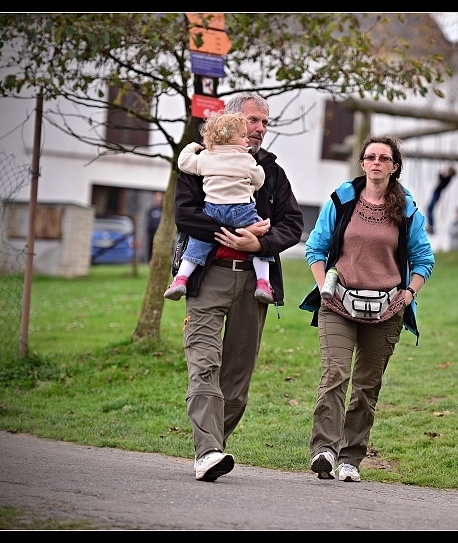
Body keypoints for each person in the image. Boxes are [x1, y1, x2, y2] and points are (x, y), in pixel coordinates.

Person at [173, 91, 304, 482]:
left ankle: (214, 447)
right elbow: (185, 216)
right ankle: (208, 450)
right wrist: (233, 233)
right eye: (253, 120)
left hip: (254, 282)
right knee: (204, 362)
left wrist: (259, 244)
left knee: (237, 378)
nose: (260, 129)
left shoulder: (270, 171)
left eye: (265, 122)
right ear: (229, 122)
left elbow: (292, 225)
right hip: (207, 276)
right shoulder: (201, 162)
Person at [299, 135, 435, 483]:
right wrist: (323, 288)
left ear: (394, 166)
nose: (376, 162)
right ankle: (324, 451)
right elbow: (314, 248)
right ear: (362, 163)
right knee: (335, 376)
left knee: (365, 386)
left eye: (383, 158)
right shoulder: (342, 199)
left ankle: (350, 458)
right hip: (338, 303)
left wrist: (407, 296)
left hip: (386, 309)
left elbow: (424, 259)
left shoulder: (407, 209)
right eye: (370, 157)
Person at [165, 113, 274, 304]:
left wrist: (192, 146)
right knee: (260, 237)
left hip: (212, 210)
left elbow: (184, 162)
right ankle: (263, 282)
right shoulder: (246, 159)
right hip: (241, 210)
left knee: (198, 241)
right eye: (242, 136)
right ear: (229, 138)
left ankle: (180, 279)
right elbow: (259, 180)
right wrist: (250, 185)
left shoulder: (206, 157)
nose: (246, 139)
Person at [425, 164, 456, 235]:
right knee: (429, 209)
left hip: (437, 194)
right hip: (436, 194)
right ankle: (431, 225)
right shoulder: (448, 178)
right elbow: (441, 177)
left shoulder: (448, 178)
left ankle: (431, 226)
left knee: (430, 209)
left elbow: (440, 177)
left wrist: (442, 171)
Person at [145, 191, 163, 264]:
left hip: (160, 233)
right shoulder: (151, 210)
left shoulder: (163, 210)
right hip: (152, 233)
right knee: (150, 248)